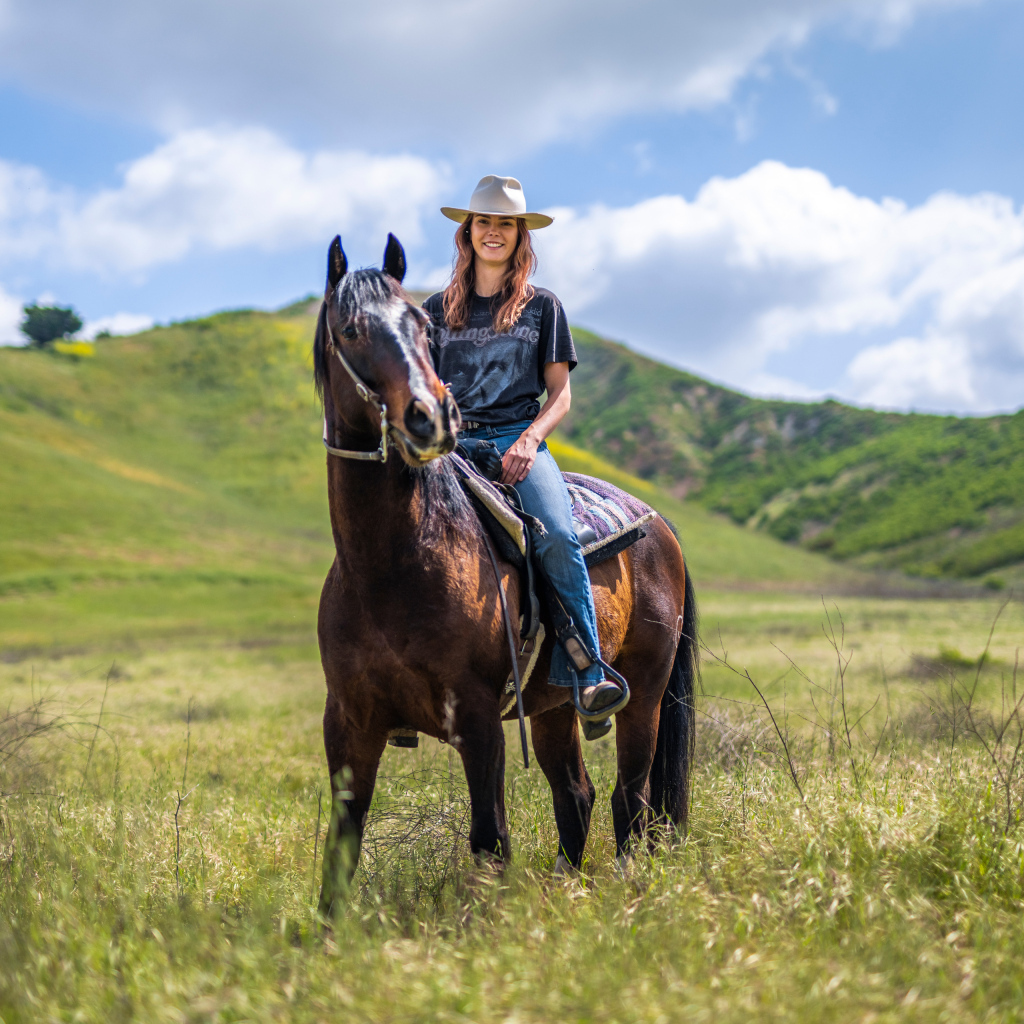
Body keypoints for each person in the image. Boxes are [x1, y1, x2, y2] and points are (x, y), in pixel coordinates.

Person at [423, 175, 625, 739]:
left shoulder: (543, 308)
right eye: (484, 222)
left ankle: (586, 671)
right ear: (468, 232)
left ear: (520, 235)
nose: (494, 232)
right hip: (455, 447)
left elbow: (561, 394)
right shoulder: (436, 311)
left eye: (505, 224)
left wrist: (530, 441)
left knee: (556, 535)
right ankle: (397, 680)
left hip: (520, 438)